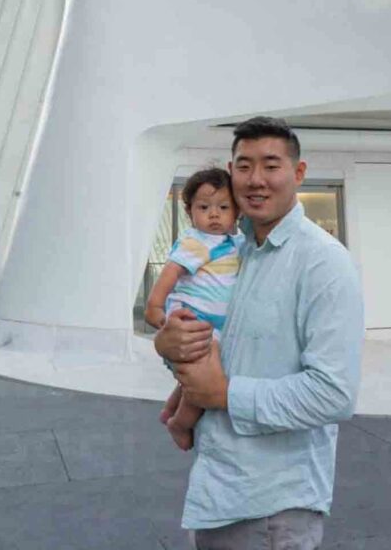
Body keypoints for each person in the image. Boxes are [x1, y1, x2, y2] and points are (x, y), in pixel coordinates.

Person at [154, 117, 364, 550]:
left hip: (272, 510)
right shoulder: (235, 251)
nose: (256, 180)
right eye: (244, 166)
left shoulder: (323, 262)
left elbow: (334, 394)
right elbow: (214, 342)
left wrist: (225, 394)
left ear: (298, 173)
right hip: (218, 488)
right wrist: (167, 345)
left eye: (271, 165)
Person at [145, 167, 242, 450]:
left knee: (193, 379)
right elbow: (170, 273)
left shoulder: (233, 243)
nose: (214, 214)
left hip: (213, 327)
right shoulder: (196, 242)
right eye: (204, 207)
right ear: (190, 212)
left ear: (237, 212)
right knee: (203, 384)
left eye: (223, 207)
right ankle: (180, 424)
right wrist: (154, 306)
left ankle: (169, 411)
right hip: (195, 322)